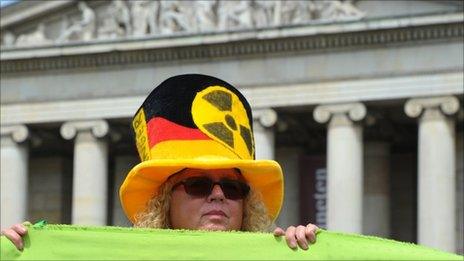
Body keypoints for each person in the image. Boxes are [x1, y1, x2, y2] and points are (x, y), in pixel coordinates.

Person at [2, 74, 318, 252]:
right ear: (164, 199)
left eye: (234, 188)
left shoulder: (283, 256)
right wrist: (19, 253)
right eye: (198, 184)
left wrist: (309, 256)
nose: (218, 194)